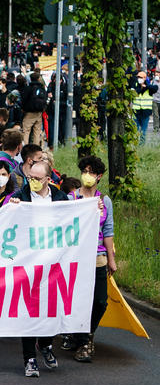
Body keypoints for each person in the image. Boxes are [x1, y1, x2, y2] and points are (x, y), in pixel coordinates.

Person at [7, 159, 66, 377]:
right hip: (28, 264)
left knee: (51, 308)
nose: (32, 181)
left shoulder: (61, 199)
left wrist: (93, 208)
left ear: (49, 180)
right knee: (29, 310)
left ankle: (47, 344)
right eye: (30, 177)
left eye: (37, 178)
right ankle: (29, 358)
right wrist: (10, 211)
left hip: (53, 263)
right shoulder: (20, 197)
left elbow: (74, 220)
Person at [65, 155, 116, 362]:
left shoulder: (104, 201)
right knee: (78, 300)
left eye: (91, 172)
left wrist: (111, 258)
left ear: (99, 176)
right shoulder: (71, 199)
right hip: (75, 258)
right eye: (84, 171)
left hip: (98, 257)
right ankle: (83, 340)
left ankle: (87, 333)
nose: (87, 175)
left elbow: (108, 230)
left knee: (100, 301)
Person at [20, 69, 47, 145]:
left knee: (26, 132)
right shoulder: (42, 88)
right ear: (38, 79)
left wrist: (23, 109)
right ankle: (36, 149)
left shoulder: (28, 88)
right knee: (37, 132)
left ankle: (24, 148)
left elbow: (24, 100)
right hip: (39, 113)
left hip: (29, 113)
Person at [131, 71, 157, 145]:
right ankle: (135, 145)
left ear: (145, 78)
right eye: (138, 77)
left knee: (143, 131)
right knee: (135, 130)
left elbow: (155, 88)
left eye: (141, 77)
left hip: (145, 113)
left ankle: (141, 145)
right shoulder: (134, 85)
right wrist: (141, 88)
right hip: (136, 112)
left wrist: (146, 86)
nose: (139, 79)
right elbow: (133, 93)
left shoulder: (149, 87)